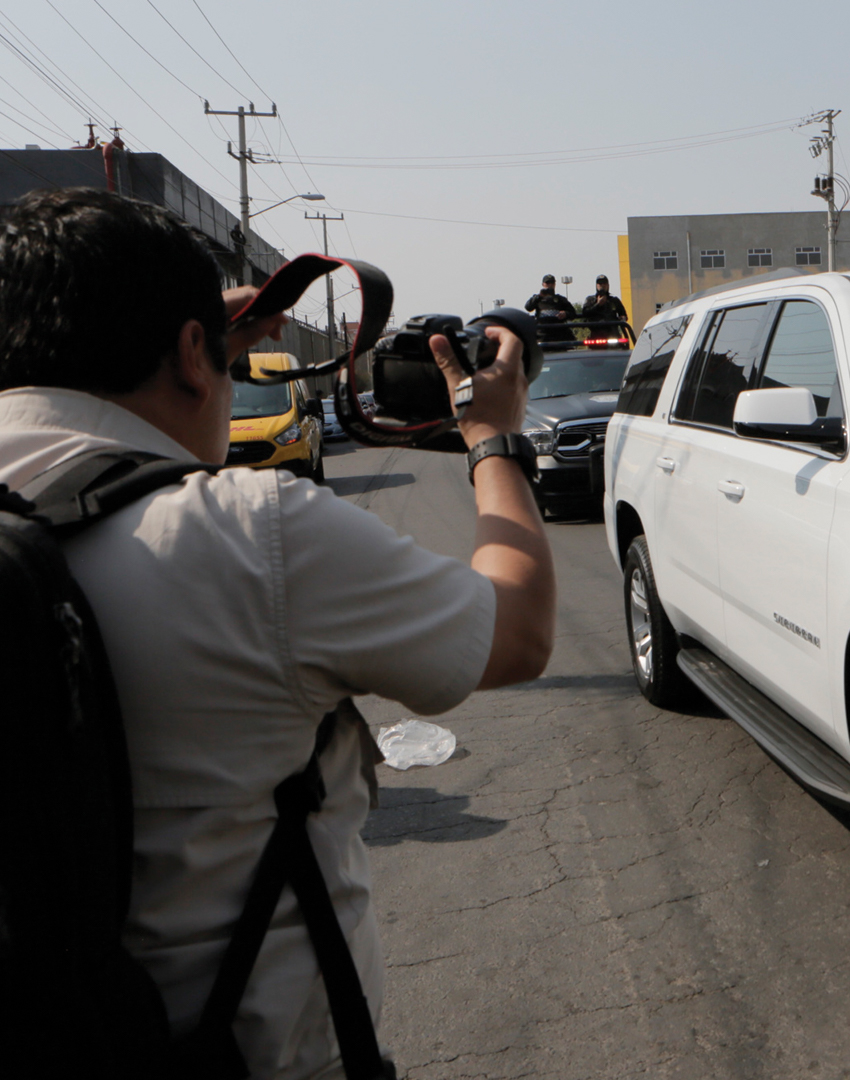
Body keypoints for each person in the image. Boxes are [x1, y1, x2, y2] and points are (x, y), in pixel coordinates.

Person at [0, 188, 555, 1078]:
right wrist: (492, 438)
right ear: (195, 353)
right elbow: (519, 630)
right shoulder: (251, 535)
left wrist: (178, 334)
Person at [525, 273, 577, 343]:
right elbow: (528, 307)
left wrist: (566, 313)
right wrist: (539, 296)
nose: (550, 285)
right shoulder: (537, 299)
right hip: (542, 335)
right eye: (547, 283)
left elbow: (573, 313)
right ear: (543, 284)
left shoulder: (560, 299)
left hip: (559, 334)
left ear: (555, 284)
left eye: (552, 282)